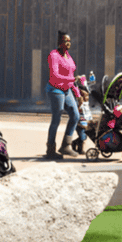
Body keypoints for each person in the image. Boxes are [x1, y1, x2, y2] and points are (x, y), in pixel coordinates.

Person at [46, 30, 84, 158]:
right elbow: (55, 76)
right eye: (65, 41)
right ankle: (50, 149)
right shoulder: (54, 55)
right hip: (55, 90)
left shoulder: (69, 57)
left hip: (67, 90)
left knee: (75, 115)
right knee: (57, 118)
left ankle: (66, 146)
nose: (68, 43)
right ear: (59, 42)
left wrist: (77, 94)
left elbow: (71, 77)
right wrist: (72, 80)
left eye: (69, 41)